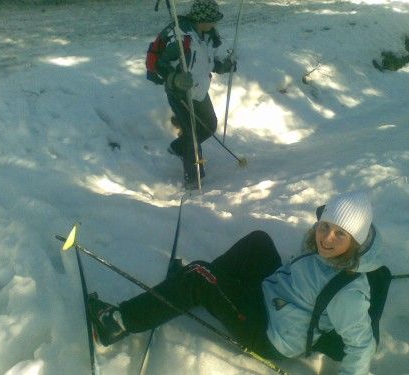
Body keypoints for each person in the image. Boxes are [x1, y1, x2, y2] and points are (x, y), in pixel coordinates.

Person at [89, 191, 384, 374]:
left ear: (356, 240)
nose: (327, 237)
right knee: (259, 241)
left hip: (269, 332)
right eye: (325, 226)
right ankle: (191, 289)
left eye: (340, 234)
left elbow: (361, 346)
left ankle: (117, 323)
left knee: (201, 276)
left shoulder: (348, 294)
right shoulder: (329, 252)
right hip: (274, 296)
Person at [155, 0, 235, 190]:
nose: (216, 23)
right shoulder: (182, 39)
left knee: (209, 125)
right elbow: (160, 65)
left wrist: (223, 66)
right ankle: (193, 180)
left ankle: (178, 148)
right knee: (191, 134)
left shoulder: (206, 36)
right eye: (213, 19)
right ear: (203, 19)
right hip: (181, 92)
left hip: (199, 91)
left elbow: (206, 63)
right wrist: (174, 79)